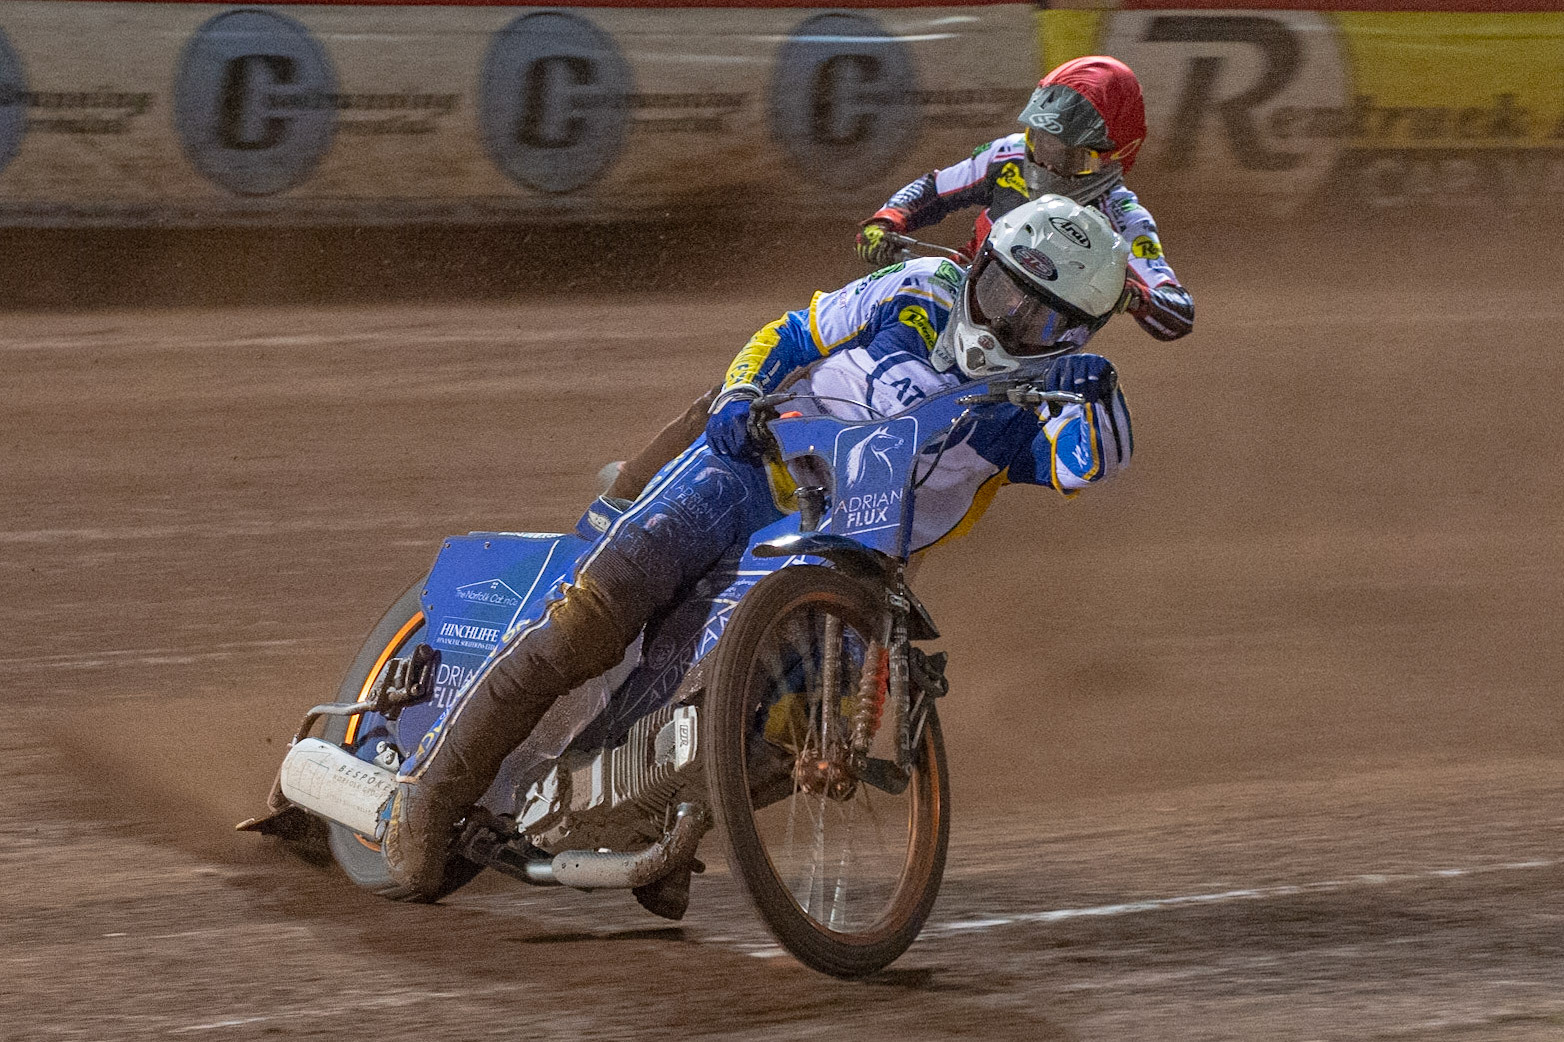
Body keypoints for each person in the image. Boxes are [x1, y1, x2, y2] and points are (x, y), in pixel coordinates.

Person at [385, 195, 1136, 915]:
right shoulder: (916, 287)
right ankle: (428, 796)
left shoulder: (1040, 404)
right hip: (746, 472)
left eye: (1037, 315)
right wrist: (742, 394)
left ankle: (652, 824)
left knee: (781, 734)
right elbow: (790, 334)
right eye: (1004, 288)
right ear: (979, 266)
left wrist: (1097, 397)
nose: (1005, 319)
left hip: (842, 563)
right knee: (589, 620)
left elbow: (1088, 463)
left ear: (1073, 339)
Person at [855, 55, 1194, 344]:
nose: (1045, 164)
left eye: (1068, 157)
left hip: (1028, 346)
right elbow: (934, 189)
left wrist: (1136, 298)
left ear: (1116, 155)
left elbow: (1179, 312)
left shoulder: (1121, 217)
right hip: (957, 292)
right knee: (869, 308)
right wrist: (886, 221)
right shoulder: (1009, 154)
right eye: (1041, 143)